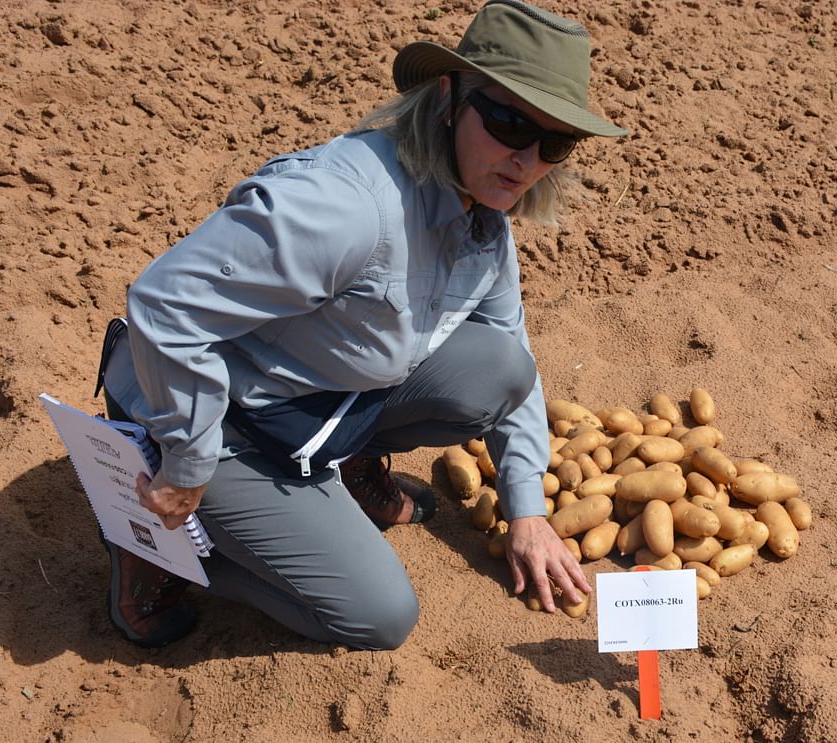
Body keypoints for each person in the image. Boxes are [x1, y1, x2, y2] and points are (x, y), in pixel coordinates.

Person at [96, 0, 627, 649]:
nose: (527, 158)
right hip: (212, 413)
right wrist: (187, 460)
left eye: (555, 142)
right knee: (377, 615)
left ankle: (345, 469)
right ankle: (161, 548)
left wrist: (527, 509)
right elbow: (163, 304)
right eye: (509, 121)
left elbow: (510, 351)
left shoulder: (482, 216)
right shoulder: (347, 207)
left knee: (499, 370)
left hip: (309, 399)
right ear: (447, 98)